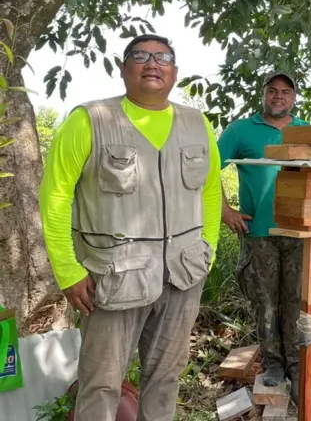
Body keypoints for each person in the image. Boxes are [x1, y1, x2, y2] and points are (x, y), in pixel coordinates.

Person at [40, 34, 221, 420]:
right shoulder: (88, 121)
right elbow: (55, 198)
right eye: (140, 55)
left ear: (175, 72)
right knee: (101, 384)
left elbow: (209, 191)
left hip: (183, 277)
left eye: (163, 57)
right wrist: (68, 271)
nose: (152, 63)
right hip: (112, 280)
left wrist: (208, 249)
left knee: (166, 379)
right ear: (124, 69)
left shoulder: (196, 123)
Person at [218, 71, 308, 399]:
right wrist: (224, 210)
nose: (279, 97)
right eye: (273, 91)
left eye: (286, 91)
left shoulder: (305, 131)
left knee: (296, 300)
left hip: (299, 232)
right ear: (264, 95)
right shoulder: (240, 130)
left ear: (294, 97)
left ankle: (297, 368)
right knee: (265, 300)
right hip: (258, 232)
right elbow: (207, 170)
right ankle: (274, 364)